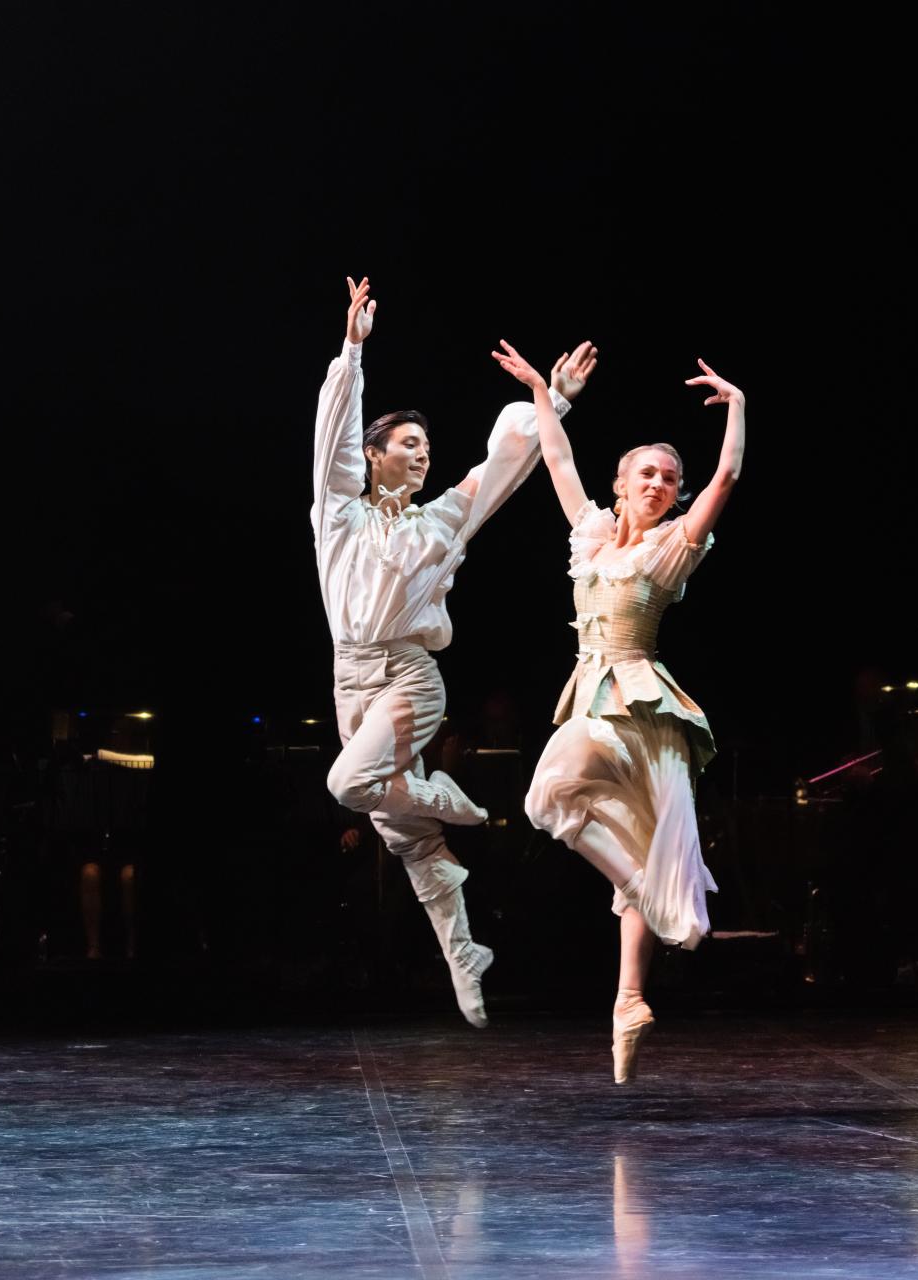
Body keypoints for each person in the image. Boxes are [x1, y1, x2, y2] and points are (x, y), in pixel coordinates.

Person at [312, 277, 597, 1026]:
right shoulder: (337, 512)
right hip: (351, 677)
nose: (423, 453)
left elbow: (502, 469)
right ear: (374, 456)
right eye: (408, 443)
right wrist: (353, 349)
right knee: (402, 835)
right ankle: (463, 953)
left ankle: (444, 795)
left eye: (428, 445)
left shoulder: (440, 522)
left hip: (409, 676)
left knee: (349, 785)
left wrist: (553, 402)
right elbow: (334, 437)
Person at [497, 340, 745, 1080]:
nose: (661, 484)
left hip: (642, 708)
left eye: (671, 477)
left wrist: (737, 407)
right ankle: (643, 901)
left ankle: (628, 999)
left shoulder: (672, 548)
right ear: (621, 482)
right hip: (595, 700)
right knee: (550, 799)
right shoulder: (594, 539)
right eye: (648, 473)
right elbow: (558, 463)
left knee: (626, 838)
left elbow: (727, 473)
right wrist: (545, 392)